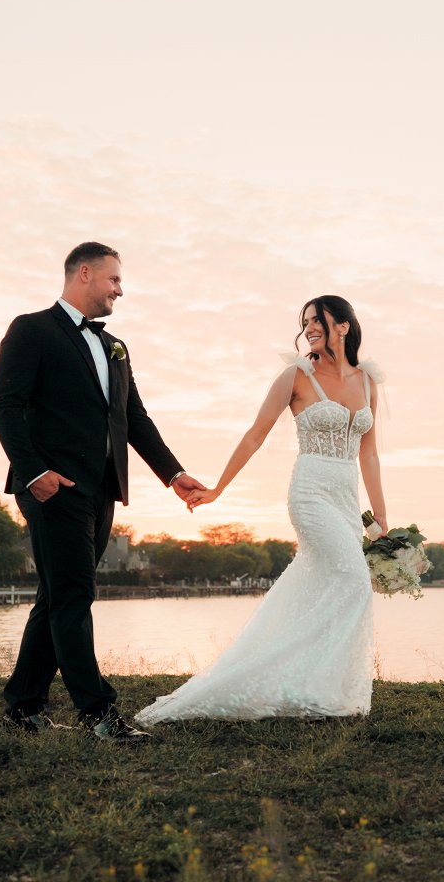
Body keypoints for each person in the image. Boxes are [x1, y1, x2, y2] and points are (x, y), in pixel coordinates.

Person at [135, 295, 386, 726]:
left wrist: (382, 519)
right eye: (304, 321)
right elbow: (255, 435)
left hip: (347, 497)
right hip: (310, 492)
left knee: (327, 585)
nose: (308, 327)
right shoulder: (296, 376)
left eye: (317, 319)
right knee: (354, 581)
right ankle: (295, 677)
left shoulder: (367, 382)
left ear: (343, 326)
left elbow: (370, 455)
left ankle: (316, 687)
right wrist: (217, 490)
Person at [0, 242, 204, 744]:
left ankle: (23, 706)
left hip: (102, 489)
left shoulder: (116, 347)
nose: (120, 290)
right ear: (84, 273)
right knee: (74, 595)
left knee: (57, 595)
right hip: (51, 487)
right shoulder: (32, 329)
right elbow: (5, 404)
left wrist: (174, 475)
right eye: (113, 280)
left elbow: (133, 418)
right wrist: (34, 471)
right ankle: (98, 713)